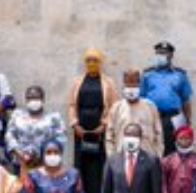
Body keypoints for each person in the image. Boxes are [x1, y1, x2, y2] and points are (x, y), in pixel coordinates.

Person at [67, 48, 119, 193]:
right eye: (88, 60)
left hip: (99, 128)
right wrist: (75, 124)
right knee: (81, 162)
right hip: (81, 129)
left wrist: (104, 125)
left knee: (98, 164)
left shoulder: (109, 82)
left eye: (95, 60)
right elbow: (71, 104)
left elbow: (114, 106)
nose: (91, 63)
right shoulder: (77, 82)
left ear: (100, 62)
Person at [141, 41, 194, 157]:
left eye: (164, 53)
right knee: (152, 150)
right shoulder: (147, 75)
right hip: (152, 117)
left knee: (172, 151)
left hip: (173, 118)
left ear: (171, 55)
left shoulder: (180, 75)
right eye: (158, 53)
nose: (160, 55)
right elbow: (141, 99)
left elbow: (186, 100)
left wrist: (188, 122)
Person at [5, 86, 66, 171]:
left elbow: (61, 139)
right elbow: (9, 135)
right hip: (21, 163)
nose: (33, 101)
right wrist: (19, 154)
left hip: (45, 164)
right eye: (30, 98)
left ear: (43, 99)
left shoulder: (54, 117)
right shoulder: (17, 115)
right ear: (26, 99)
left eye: (36, 97)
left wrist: (42, 155)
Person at [106, 69, 164, 157]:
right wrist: (112, 159)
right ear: (124, 84)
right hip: (122, 158)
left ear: (139, 84)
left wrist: (157, 158)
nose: (131, 86)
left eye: (134, 82)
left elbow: (159, 134)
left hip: (147, 157)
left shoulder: (150, 106)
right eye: (128, 83)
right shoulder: (116, 108)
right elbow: (109, 137)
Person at [102, 123, 162, 193]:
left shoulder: (151, 161)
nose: (131, 138)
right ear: (123, 137)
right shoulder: (112, 161)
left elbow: (156, 189)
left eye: (135, 135)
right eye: (128, 135)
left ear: (140, 138)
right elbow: (106, 189)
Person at [161, 126, 196, 193]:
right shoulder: (167, 160)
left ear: (192, 140)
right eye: (181, 138)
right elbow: (163, 183)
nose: (184, 141)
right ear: (176, 140)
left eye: (187, 138)